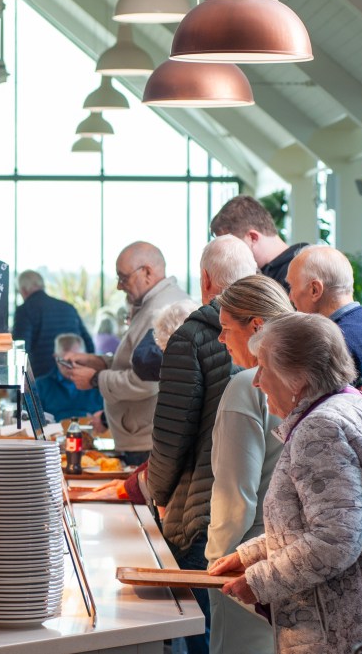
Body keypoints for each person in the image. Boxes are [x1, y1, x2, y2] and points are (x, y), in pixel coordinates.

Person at [209, 313, 362, 654]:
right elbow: (322, 520)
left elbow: (336, 540)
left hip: (348, 634)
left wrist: (261, 580)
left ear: (297, 379)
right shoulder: (355, 406)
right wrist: (251, 554)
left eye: (263, 368)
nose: (257, 381)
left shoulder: (321, 428)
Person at [147, 235, 257, 654]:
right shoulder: (279, 333)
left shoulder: (190, 337)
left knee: (201, 632)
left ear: (206, 279)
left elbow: (170, 436)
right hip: (260, 515)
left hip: (200, 514)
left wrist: (157, 497)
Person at [205, 275, 293, 654]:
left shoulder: (246, 385)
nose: (220, 339)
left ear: (256, 327)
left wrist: (215, 562)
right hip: (290, 557)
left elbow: (235, 498)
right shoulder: (305, 379)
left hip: (244, 561)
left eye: (226, 328)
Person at [60, 242, 192, 466]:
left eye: (123, 278)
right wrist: (99, 362)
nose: (119, 286)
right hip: (141, 436)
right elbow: (137, 362)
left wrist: (95, 379)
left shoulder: (163, 310)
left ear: (147, 272)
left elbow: (147, 380)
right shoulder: (153, 304)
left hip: (148, 441)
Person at [287, 245, 362, 432]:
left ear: (314, 290)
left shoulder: (331, 344)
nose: (290, 297)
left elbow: (318, 425)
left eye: (291, 286)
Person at [209, 194, 307, 291]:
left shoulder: (303, 271)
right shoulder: (258, 275)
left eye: (231, 248)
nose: (229, 257)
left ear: (253, 238)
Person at [12, 270, 95, 378]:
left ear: (23, 290)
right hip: (72, 375)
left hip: (41, 378)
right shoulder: (68, 307)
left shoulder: (24, 310)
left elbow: (20, 349)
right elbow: (88, 343)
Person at [34, 333, 103, 421]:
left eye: (77, 360)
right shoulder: (40, 386)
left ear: (85, 358)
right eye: (64, 362)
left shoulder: (99, 385)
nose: (71, 366)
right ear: (55, 357)